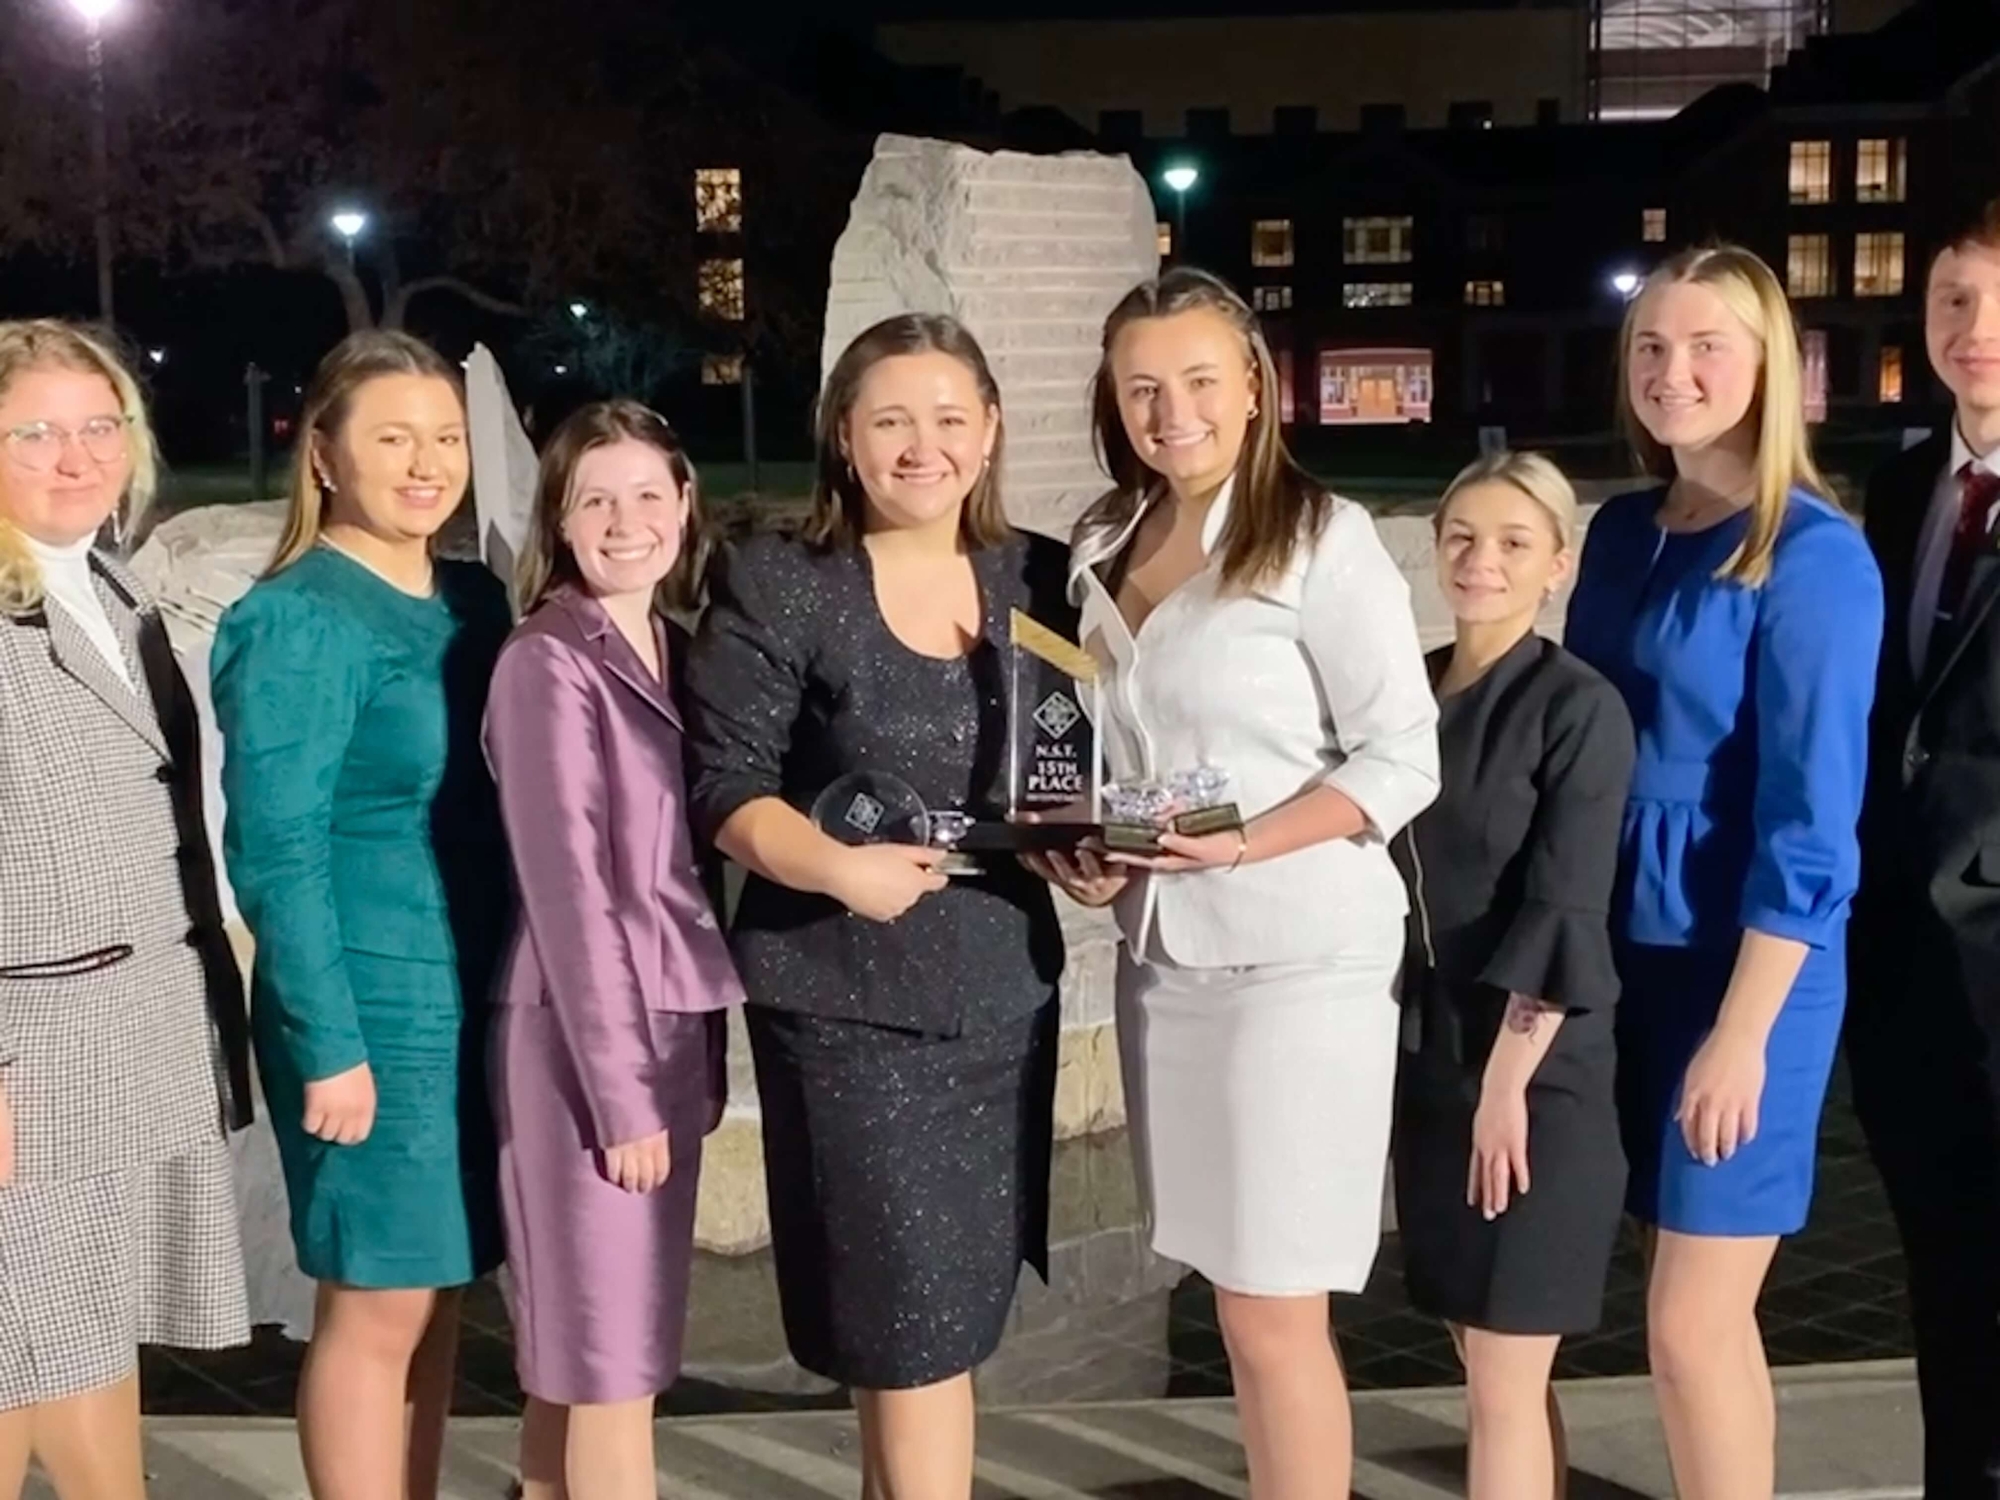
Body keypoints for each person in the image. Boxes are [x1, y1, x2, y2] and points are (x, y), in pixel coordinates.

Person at [1039, 267, 1438, 1499]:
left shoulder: (1325, 538)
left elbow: (1402, 756)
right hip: (1168, 957)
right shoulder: (1104, 538)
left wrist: (1245, 844)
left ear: (1257, 386)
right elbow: (1118, 748)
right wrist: (1090, 849)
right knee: (1229, 1297)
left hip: (1298, 962)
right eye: (1143, 386)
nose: (1174, 412)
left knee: (1275, 1310)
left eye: (1201, 380)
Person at [683, 314, 1069, 1499]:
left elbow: (1068, 774)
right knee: (902, 1336)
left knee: (945, 1330)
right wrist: (833, 869)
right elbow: (723, 785)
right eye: (891, 419)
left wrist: (1086, 853)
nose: (923, 446)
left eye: (950, 418)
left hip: (1000, 993)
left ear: (990, 429)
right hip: (849, 1009)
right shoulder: (782, 580)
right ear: (842, 436)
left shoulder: (1038, 575)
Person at [1564, 245, 1883, 1500]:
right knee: (1692, 1325)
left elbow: (1812, 824)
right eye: (1649, 347)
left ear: (1767, 368)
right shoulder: (1617, 533)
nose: (1672, 371)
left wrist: (1742, 1032)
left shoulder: (1811, 557)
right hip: (1618, 951)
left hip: (1744, 969)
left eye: (1705, 347)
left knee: (1690, 1322)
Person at [212, 331, 512, 1500]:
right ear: (326, 455)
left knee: (437, 1293)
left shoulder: (472, 596)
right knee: (377, 1297)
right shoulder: (297, 620)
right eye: (392, 438)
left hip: (470, 993)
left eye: (444, 438)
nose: (426, 463)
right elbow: (274, 854)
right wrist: (325, 1044)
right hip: (365, 1003)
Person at [0, 320, 253, 1500]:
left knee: (86, 1346)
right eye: (36, 431)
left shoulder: (111, 586)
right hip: (30, 1057)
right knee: (14, 1367)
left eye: (99, 426)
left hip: (133, 1032)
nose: (75, 455)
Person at [484, 400, 742, 1500]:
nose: (624, 519)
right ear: (560, 518)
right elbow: (571, 891)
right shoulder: (548, 662)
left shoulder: (670, 648)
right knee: (612, 1374)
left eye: (647, 493)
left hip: (665, 1028)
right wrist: (623, 1095)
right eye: (595, 498)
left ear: (685, 505)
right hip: (585, 1051)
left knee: (589, 1369)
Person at [1391, 451, 1632, 1500]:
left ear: (1556, 567)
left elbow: (1563, 906)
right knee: (1485, 1359)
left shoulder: (1576, 708)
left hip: (1535, 1077)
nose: (1479, 562)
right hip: (1432, 1059)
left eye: (1510, 543)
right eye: (1460, 538)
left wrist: (1503, 1086)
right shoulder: (1403, 693)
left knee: (1500, 1368)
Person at [1848, 194, 2000, 1500]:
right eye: (1954, 300)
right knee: (1941, 1281)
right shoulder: (1900, 490)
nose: (1977, 330)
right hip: (1899, 964)